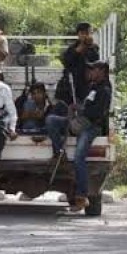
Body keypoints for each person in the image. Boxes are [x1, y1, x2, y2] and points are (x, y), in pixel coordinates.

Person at [45, 61, 112, 211]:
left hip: (91, 127)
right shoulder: (93, 87)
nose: (91, 72)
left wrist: (79, 109)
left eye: (93, 69)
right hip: (80, 122)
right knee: (51, 120)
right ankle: (59, 153)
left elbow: (97, 113)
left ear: (101, 71)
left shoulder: (105, 90)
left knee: (79, 157)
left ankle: (82, 196)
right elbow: (87, 105)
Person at [60, 22, 100, 103]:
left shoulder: (94, 48)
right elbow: (66, 62)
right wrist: (80, 48)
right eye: (82, 33)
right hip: (73, 83)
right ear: (78, 34)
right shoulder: (72, 48)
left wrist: (89, 46)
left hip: (87, 84)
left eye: (87, 33)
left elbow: (95, 61)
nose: (85, 36)